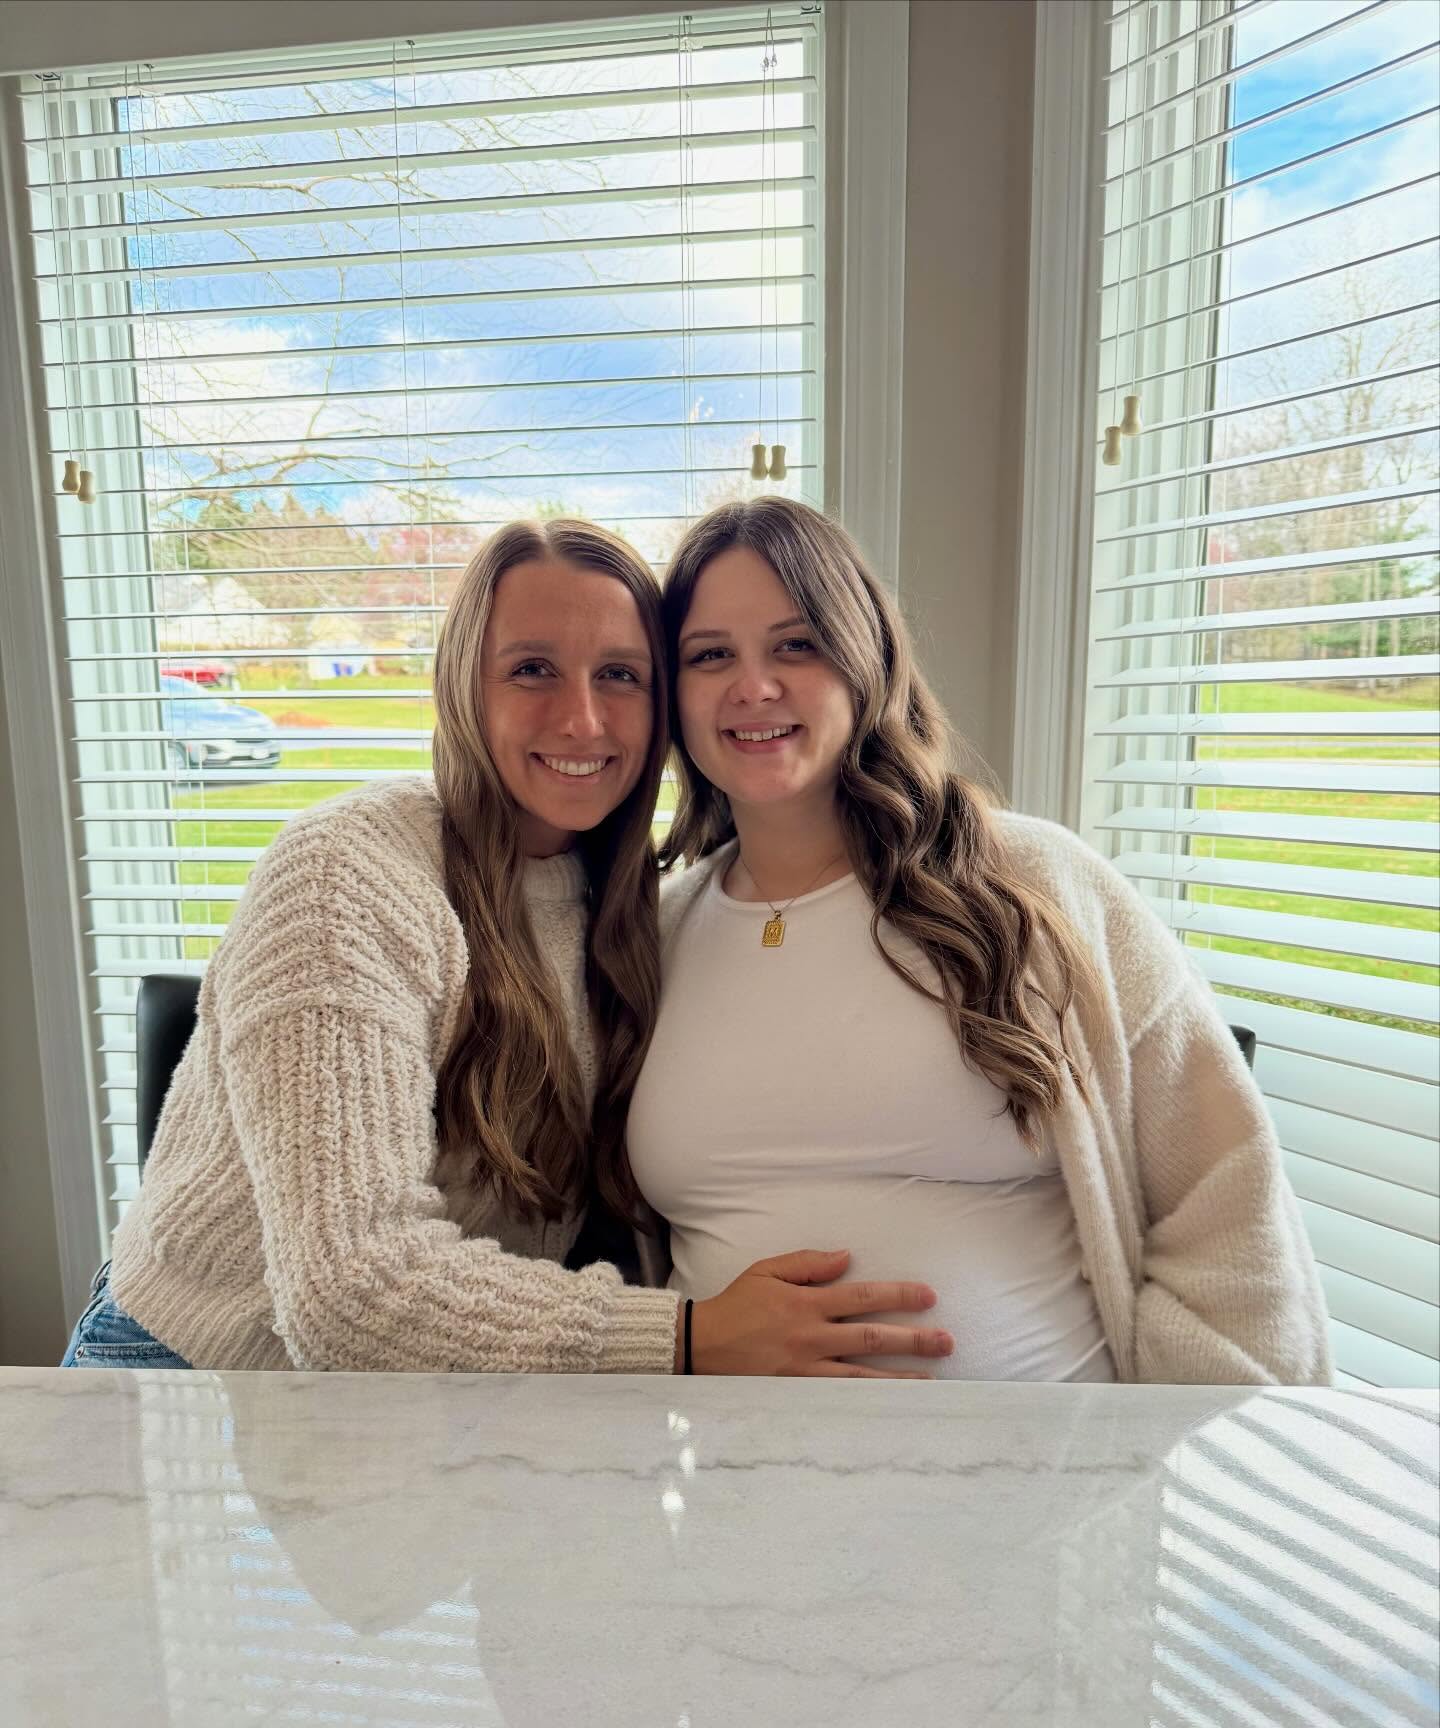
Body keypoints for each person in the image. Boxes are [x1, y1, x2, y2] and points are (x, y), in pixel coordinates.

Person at [63, 519, 952, 1376]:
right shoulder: (346, 875)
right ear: (464, 688)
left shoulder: (634, 904)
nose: (584, 720)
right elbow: (349, 1292)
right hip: (193, 1376)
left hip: (446, 1387)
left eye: (620, 674)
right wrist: (690, 1336)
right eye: (532, 670)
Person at [627, 496, 1332, 1385]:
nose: (754, 686)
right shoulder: (654, 936)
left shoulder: (1036, 884)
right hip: (727, 1464)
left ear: (865, 661)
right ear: (672, 696)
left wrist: (1200, 1438)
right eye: (710, 655)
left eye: (796, 645)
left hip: (1055, 1460)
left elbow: (1223, 1193)